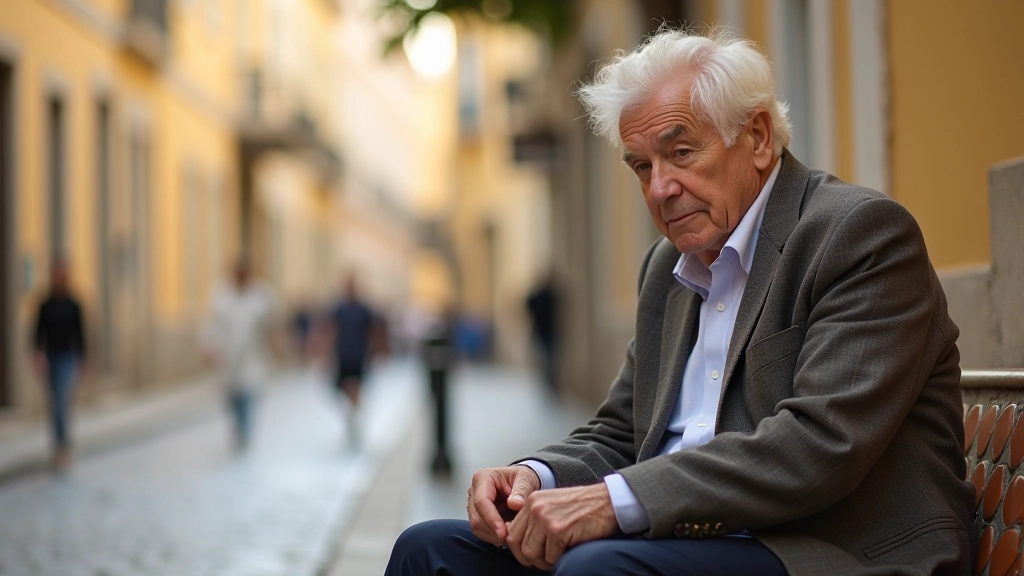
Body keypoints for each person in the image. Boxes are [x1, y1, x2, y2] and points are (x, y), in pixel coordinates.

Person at [386, 29, 974, 576]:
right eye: (642, 166)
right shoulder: (665, 271)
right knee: (429, 550)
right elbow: (622, 432)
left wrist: (615, 503)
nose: (660, 188)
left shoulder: (857, 234)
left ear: (758, 138)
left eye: (682, 153)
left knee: (596, 569)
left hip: (828, 548)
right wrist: (533, 478)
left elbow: (817, 445)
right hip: (681, 541)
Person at [201, 256, 275, 450]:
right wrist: (209, 347)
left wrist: (276, 345)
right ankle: (238, 424)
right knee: (231, 396)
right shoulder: (220, 294)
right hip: (227, 356)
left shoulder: (261, 295)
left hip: (252, 357)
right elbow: (211, 324)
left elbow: (271, 324)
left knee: (248, 393)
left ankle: (244, 429)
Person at [33, 259, 86, 472]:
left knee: (62, 401)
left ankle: (62, 446)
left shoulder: (74, 304)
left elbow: (80, 334)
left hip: (67, 357)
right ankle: (58, 445)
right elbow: (38, 332)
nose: (59, 278)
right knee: (54, 403)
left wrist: (83, 359)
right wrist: (37, 354)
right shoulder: (45, 304)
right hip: (51, 356)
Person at [328, 275, 375, 446]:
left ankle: (355, 416)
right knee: (342, 389)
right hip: (343, 355)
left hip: (358, 355)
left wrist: (375, 352)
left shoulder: (364, 309)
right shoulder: (339, 308)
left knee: (355, 387)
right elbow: (331, 329)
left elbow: (373, 331)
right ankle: (353, 412)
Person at [525, 275, 559, 390]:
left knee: (548, 356)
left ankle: (548, 378)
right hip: (544, 330)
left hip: (546, 330)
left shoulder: (547, 297)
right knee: (547, 356)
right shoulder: (547, 297)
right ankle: (547, 378)